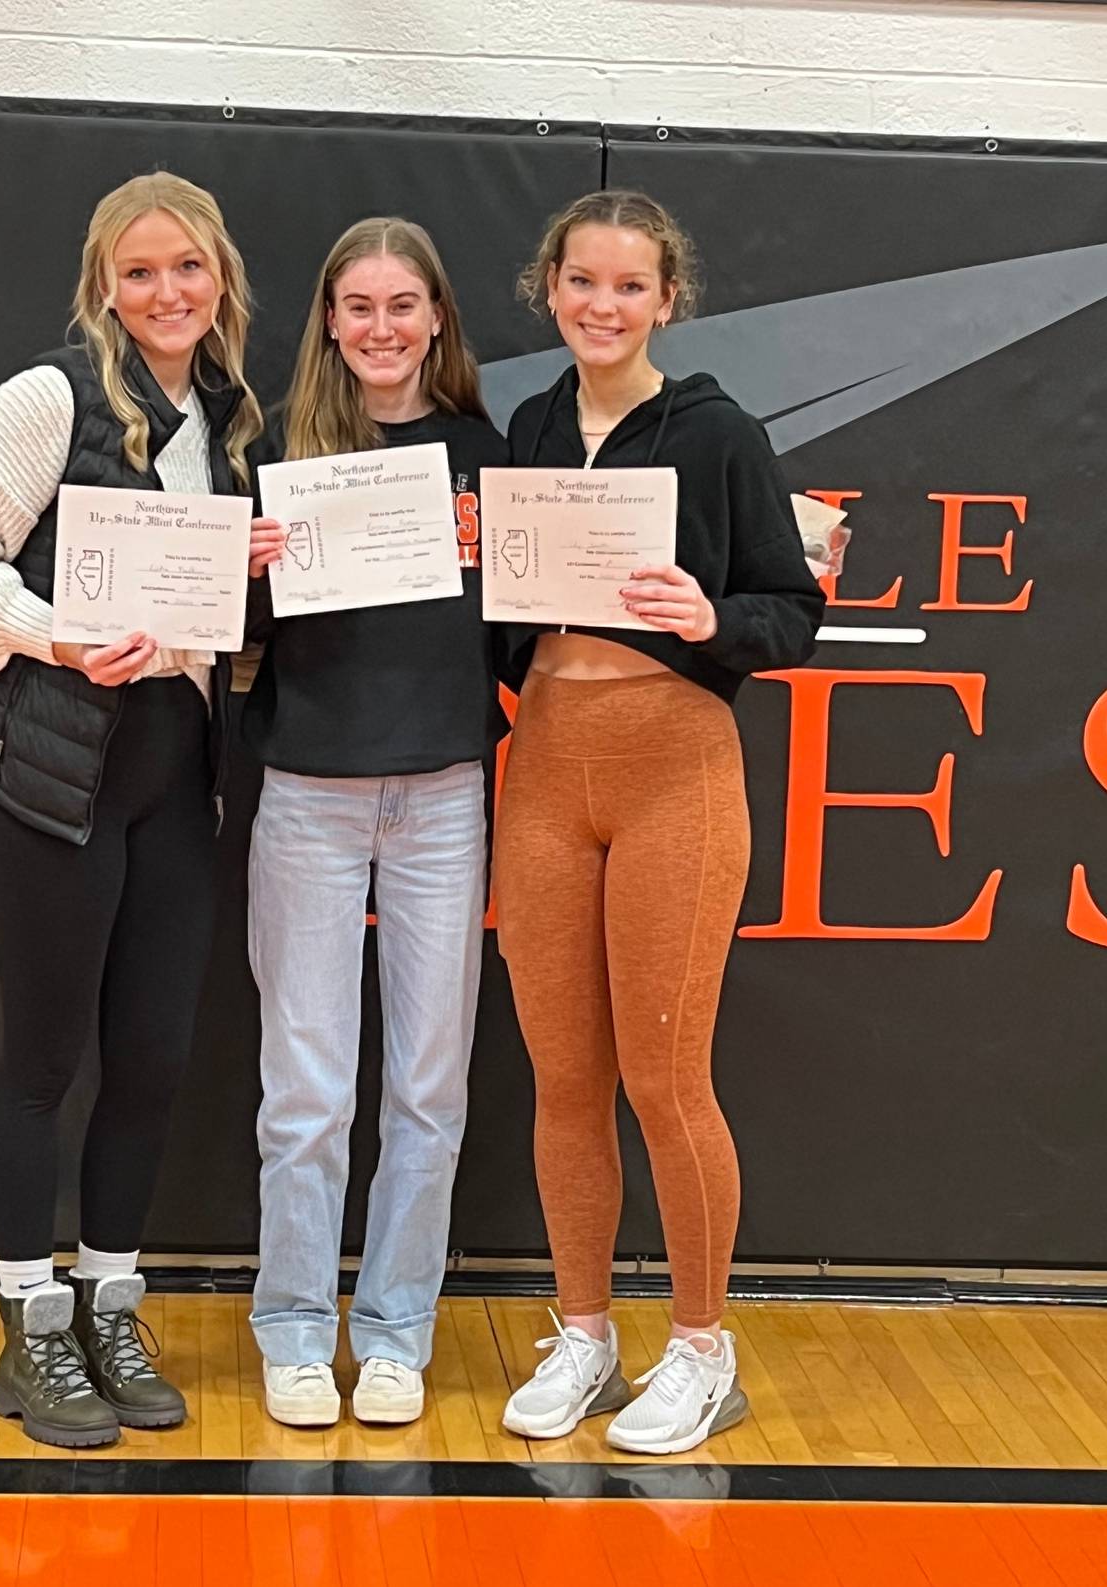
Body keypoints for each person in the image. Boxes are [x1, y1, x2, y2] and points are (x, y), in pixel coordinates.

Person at [0, 172, 264, 1448]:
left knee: (157, 1056)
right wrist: (62, 640)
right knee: (46, 1062)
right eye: (140, 272)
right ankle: (30, 1327)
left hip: (177, 769)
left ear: (219, 277)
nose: (168, 293)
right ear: (103, 284)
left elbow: (217, 621)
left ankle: (112, 1297)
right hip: (54, 773)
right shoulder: (48, 398)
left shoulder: (228, 422)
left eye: (189, 269)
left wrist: (257, 569)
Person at [495, 190, 826, 1456]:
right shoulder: (529, 424)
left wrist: (708, 620)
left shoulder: (719, 432)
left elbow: (789, 613)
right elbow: (512, 610)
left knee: (663, 1075)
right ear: (553, 287)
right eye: (582, 281)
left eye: (629, 287)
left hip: (674, 764)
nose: (603, 305)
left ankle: (701, 1346)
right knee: (564, 1077)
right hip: (550, 766)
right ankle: (584, 1331)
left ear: (665, 301)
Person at [244, 217, 508, 1428]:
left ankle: (397, 1331)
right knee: (305, 1091)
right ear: (331, 321)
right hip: (307, 792)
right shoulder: (279, 456)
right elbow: (230, 647)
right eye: (359, 305)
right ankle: (294, 1327)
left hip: (446, 792)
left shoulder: (484, 455)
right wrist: (240, 575)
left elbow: (535, 616)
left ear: (438, 318)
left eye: (404, 304)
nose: (383, 327)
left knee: (427, 1087)